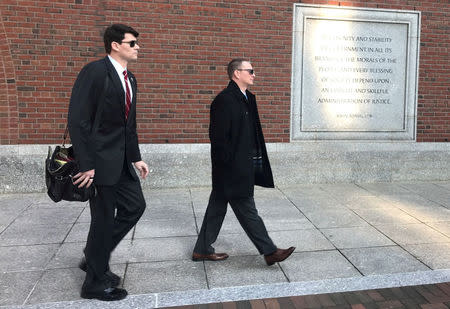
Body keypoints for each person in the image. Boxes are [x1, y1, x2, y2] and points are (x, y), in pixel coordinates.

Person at [68, 24, 148, 301]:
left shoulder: (131, 79)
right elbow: (78, 120)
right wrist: (86, 163)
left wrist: (136, 158)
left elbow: (130, 125)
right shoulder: (95, 72)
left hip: (123, 162)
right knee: (102, 221)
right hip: (99, 163)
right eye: (132, 42)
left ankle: (93, 256)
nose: (138, 47)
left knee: (135, 206)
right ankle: (94, 283)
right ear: (115, 45)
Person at [192, 58, 295, 266]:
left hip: (243, 165)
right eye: (250, 70)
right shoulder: (224, 100)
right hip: (232, 169)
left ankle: (202, 250)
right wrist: (231, 167)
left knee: (217, 207)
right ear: (237, 73)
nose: (254, 74)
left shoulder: (248, 98)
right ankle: (270, 251)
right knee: (247, 208)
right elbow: (219, 139)